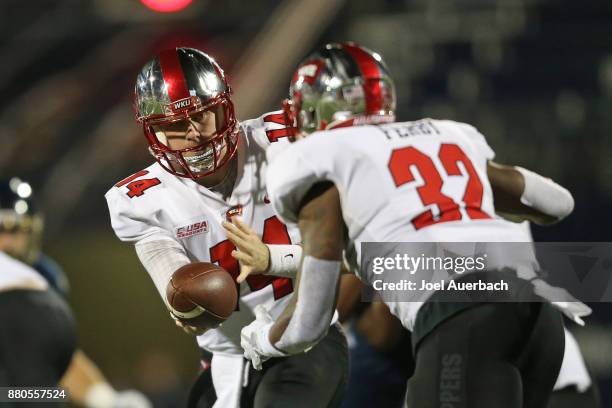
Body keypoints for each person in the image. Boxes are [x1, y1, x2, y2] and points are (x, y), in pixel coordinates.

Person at [240, 42, 592, 408]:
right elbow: (558, 203)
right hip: (540, 315)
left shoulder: (319, 160)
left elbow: (309, 322)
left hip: (464, 314)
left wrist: (264, 340)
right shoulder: (444, 134)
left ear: (312, 110)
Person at [105, 47, 348, 408]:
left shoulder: (286, 144)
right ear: (153, 133)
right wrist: (182, 298)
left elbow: (348, 253)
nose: (192, 133)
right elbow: (167, 268)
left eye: (203, 116)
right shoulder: (141, 200)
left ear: (226, 108)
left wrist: (272, 259)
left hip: (305, 338)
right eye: (173, 126)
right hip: (227, 359)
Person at [0, 178, 151, 408]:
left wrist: (105, 399)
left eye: (18, 229)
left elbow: (57, 360)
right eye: (1, 229)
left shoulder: (43, 280)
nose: (8, 241)